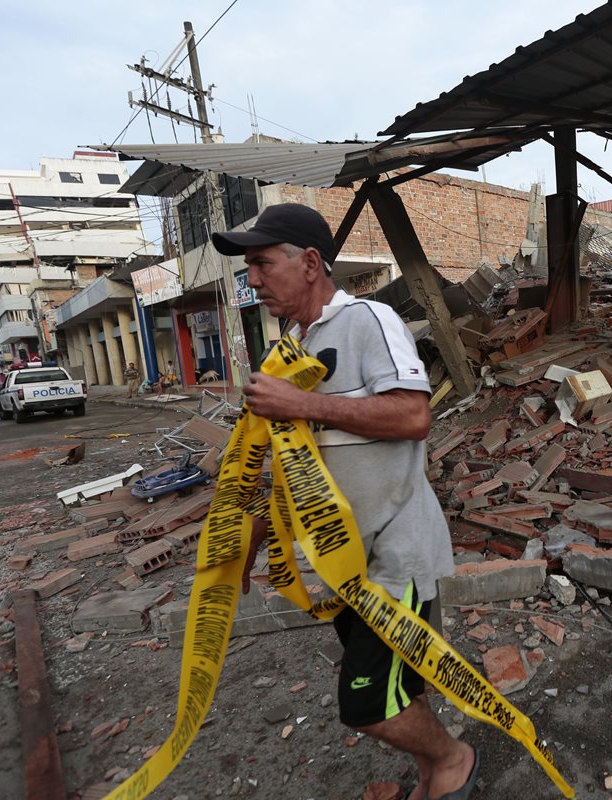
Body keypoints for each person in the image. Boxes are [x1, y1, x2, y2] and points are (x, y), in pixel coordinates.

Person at [213, 204, 477, 800]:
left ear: (310, 263)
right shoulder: (293, 343)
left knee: (366, 704)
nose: (251, 279)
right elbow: (292, 460)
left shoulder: (367, 320)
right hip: (342, 565)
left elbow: (414, 415)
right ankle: (433, 770)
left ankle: (454, 759)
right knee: (394, 685)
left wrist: (301, 404)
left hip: (394, 556)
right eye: (248, 266)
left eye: (261, 262)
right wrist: (251, 537)